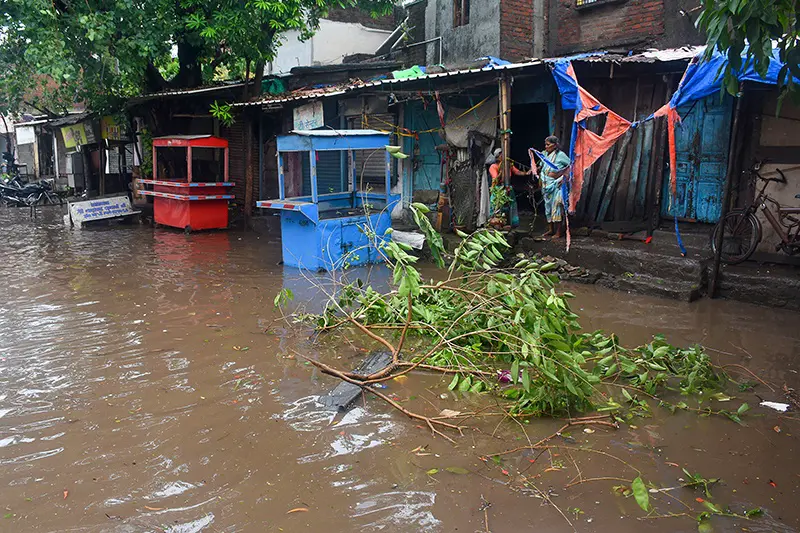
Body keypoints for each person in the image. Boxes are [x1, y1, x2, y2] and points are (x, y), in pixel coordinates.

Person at [488, 147, 532, 228]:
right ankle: (497, 223)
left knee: (511, 205)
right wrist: (501, 172)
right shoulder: (493, 167)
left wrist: (526, 173)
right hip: (498, 188)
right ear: (498, 157)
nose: (504, 156)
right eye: (502, 155)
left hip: (508, 187)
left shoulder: (509, 165)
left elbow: (516, 172)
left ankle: (510, 223)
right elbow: (495, 179)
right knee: (497, 206)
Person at [537, 136, 570, 239]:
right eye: (545, 144)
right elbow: (542, 166)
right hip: (546, 185)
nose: (546, 147)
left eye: (548, 144)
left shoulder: (561, 155)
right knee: (548, 208)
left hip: (556, 185)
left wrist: (564, 178)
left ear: (554, 145)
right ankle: (551, 230)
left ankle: (558, 232)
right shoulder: (545, 155)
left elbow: (571, 166)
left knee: (557, 207)